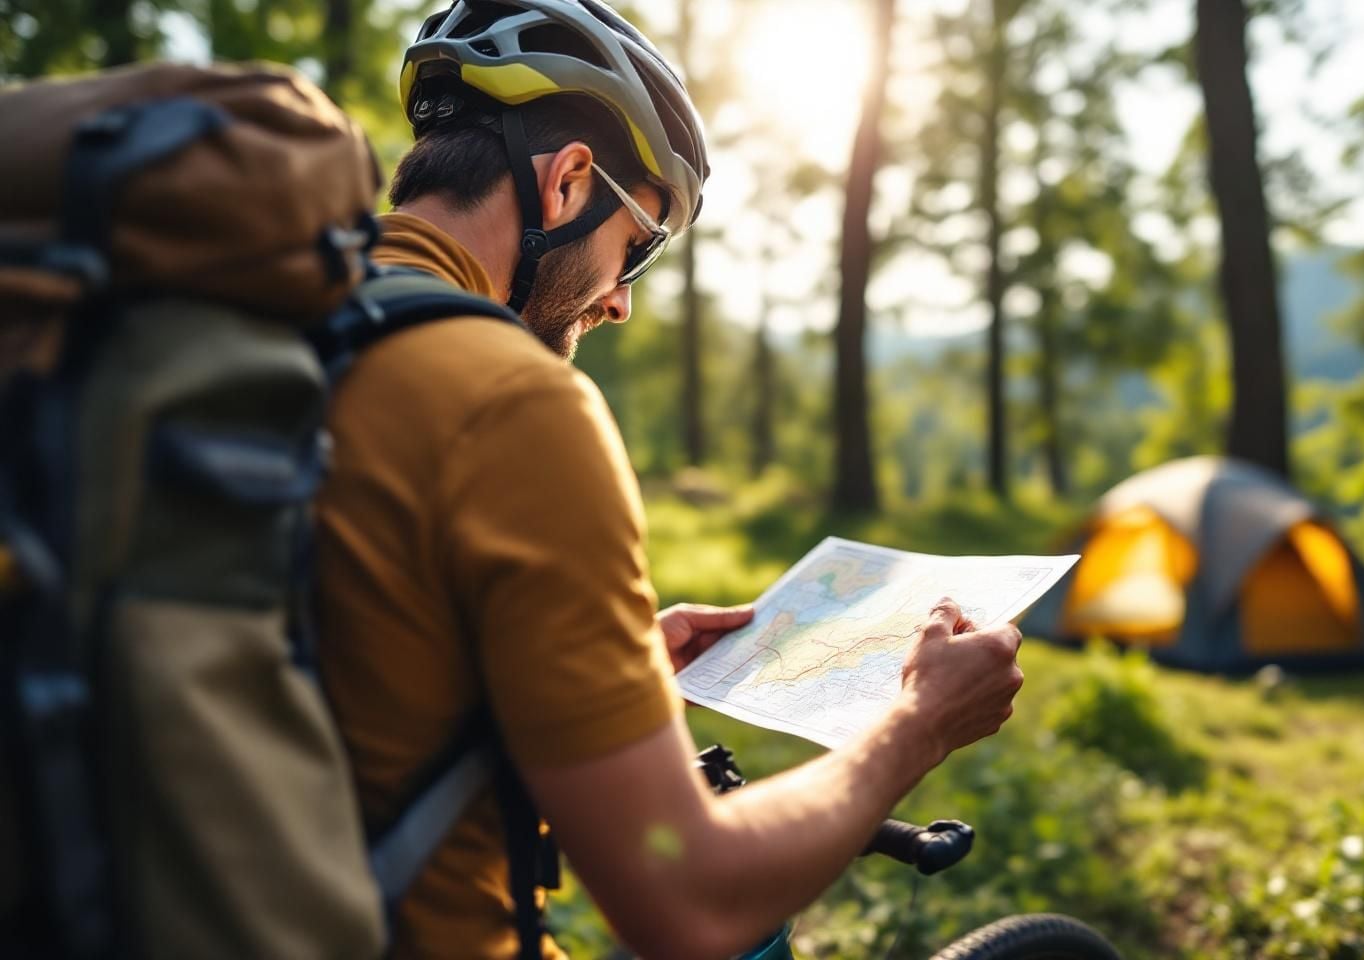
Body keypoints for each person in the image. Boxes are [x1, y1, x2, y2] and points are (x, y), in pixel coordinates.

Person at [314, 2, 1025, 958]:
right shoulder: (512, 404)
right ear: (568, 182)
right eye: (638, 239)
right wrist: (918, 723)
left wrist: (605, 667)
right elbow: (688, 906)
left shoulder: (288, 333)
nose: (619, 299)